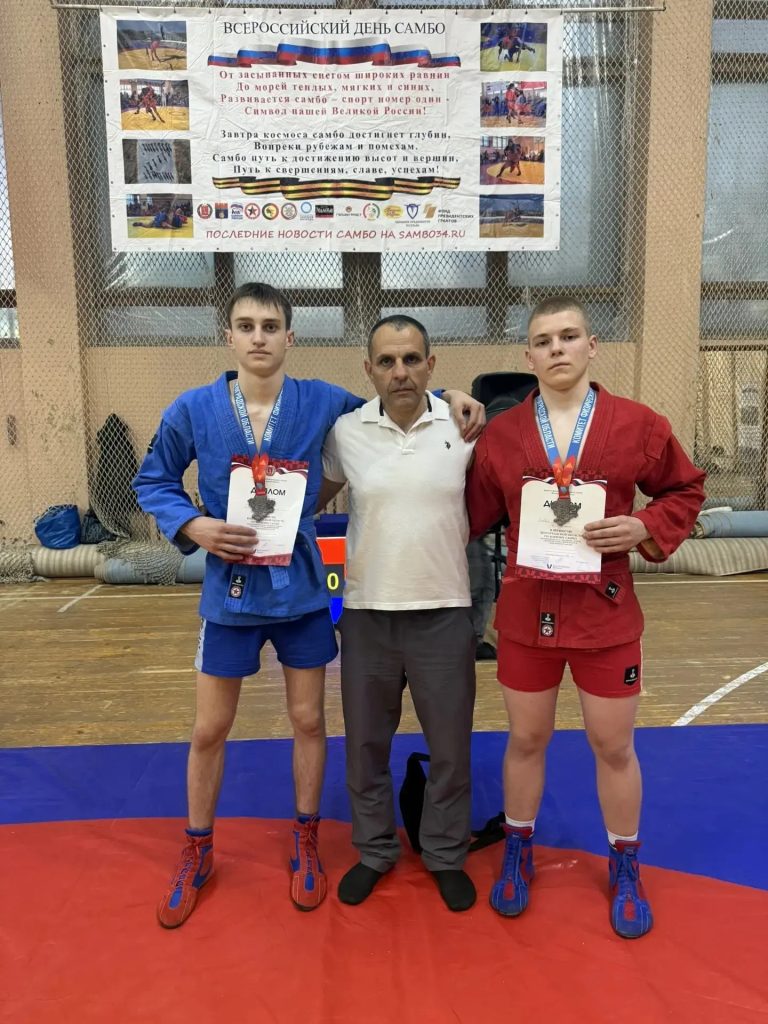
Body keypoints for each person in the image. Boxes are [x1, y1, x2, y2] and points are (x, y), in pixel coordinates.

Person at [133, 284, 483, 928]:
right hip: (231, 588)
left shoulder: (323, 402)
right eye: (246, 325)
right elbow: (152, 478)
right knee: (209, 728)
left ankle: (306, 838)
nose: (259, 336)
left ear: (290, 336)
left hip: (298, 590)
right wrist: (192, 525)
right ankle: (197, 847)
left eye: (270, 325)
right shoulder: (193, 408)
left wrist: (451, 394)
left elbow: (397, 398)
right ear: (228, 336)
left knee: (309, 721)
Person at [465, 296, 706, 938]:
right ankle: (518, 846)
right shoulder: (501, 435)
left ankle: (625, 861)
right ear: (528, 356)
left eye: (569, 336)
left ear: (591, 346)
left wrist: (644, 524)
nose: (557, 349)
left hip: (605, 615)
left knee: (613, 745)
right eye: (544, 340)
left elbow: (685, 488)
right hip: (527, 614)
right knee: (525, 739)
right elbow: (471, 513)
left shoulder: (639, 424)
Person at [319, 315, 478, 913]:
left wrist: (463, 398)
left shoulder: (464, 426)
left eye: (412, 359)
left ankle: (445, 853)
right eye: (387, 361)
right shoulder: (347, 432)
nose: (400, 371)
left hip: (444, 611)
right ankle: (374, 849)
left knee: (451, 748)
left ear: (431, 365)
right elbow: (308, 501)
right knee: (365, 745)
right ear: (369, 370)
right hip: (367, 614)